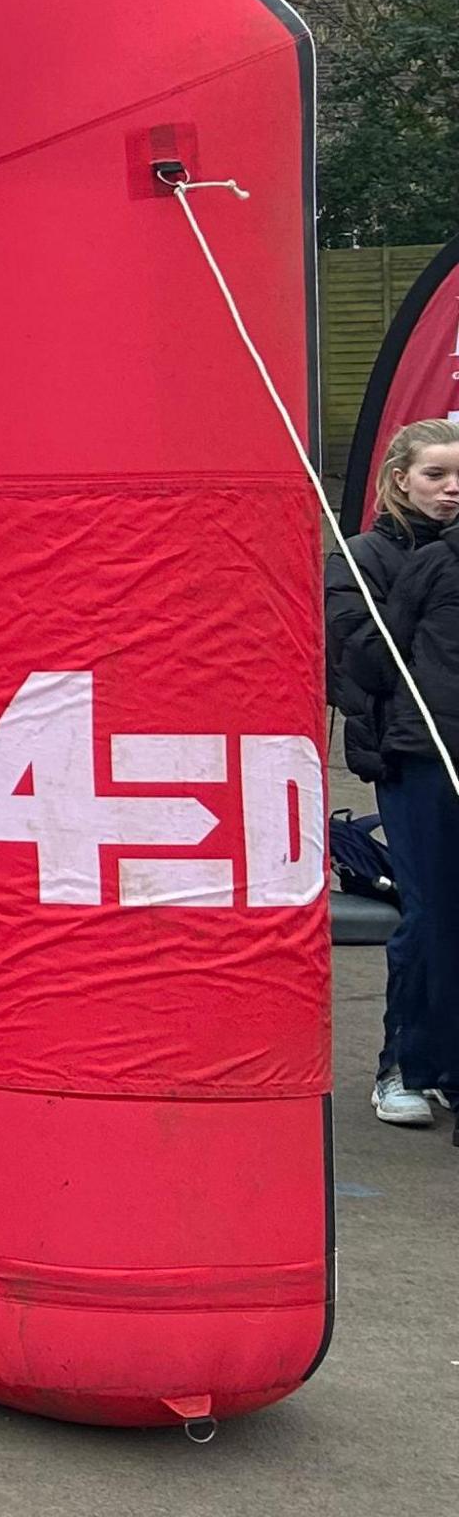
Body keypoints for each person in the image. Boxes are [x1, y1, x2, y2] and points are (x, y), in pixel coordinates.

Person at [335, 418, 459, 1127]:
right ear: (400, 478)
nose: (451, 489)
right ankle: (401, 1067)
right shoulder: (364, 558)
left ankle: (447, 1065)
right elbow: (355, 667)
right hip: (412, 758)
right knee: (429, 913)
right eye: (437, 474)